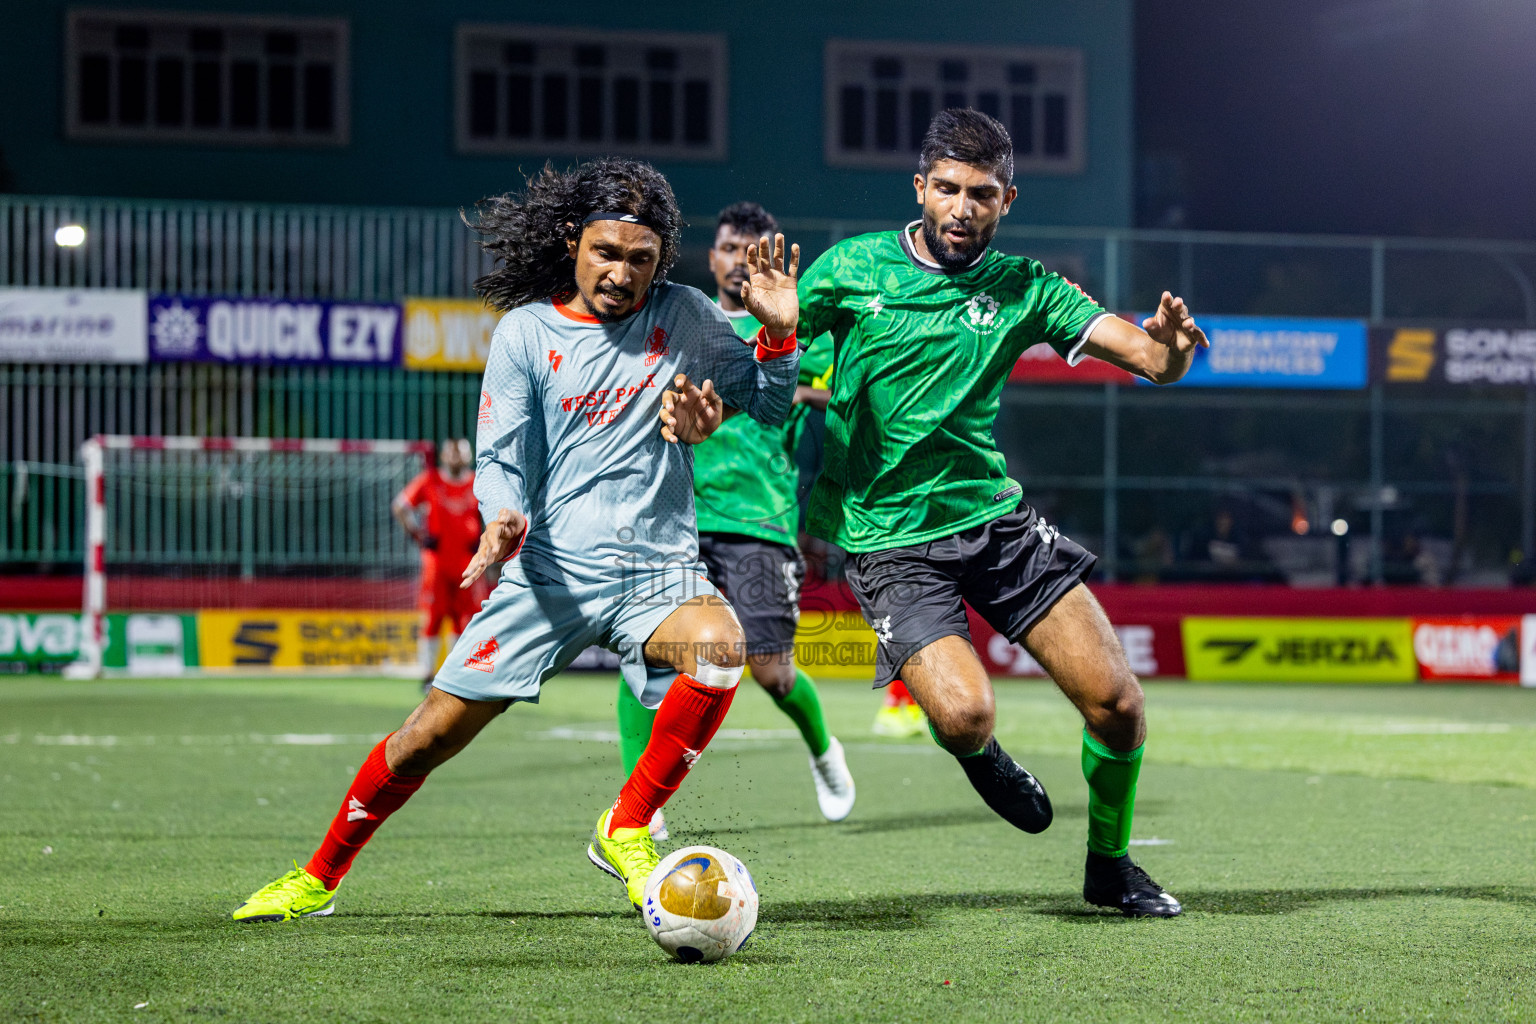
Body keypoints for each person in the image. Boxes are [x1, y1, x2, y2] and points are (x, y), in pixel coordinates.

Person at [231, 157, 802, 921]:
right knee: (427, 737)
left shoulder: (689, 316)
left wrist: (778, 334)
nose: (621, 273)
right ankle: (318, 878)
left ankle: (626, 825)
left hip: (658, 572)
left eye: (641, 258)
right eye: (606, 252)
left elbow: (766, 407)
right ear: (573, 241)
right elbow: (499, 456)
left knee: (721, 648)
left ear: (662, 258)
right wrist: (500, 513)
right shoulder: (526, 334)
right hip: (551, 572)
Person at [798, 109, 1208, 917]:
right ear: (920, 188)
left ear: (1006, 200)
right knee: (963, 714)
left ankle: (1110, 868)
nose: (961, 208)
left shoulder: (1025, 288)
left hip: (997, 525)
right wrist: (773, 331)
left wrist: (1172, 346)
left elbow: (1152, 362)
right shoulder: (850, 269)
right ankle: (983, 758)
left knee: (1119, 706)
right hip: (891, 542)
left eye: (980, 194)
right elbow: (768, 360)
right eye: (946, 189)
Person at [614, 202, 853, 834]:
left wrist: (798, 388)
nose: (738, 255)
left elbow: (845, 392)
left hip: (760, 518)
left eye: (753, 245)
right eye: (726, 245)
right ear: (712, 256)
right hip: (676, 516)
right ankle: (641, 806)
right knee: (647, 654)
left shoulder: (802, 333)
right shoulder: (681, 323)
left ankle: (825, 751)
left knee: (772, 672)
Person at [392, 438, 486, 691]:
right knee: (433, 618)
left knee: (462, 620)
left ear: (469, 457)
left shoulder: (478, 481)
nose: (456, 458)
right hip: (437, 564)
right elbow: (401, 505)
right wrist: (418, 534)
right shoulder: (430, 480)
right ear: (444, 456)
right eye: (451, 453)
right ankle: (427, 676)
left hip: (468, 563)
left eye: (461, 453)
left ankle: (453, 675)